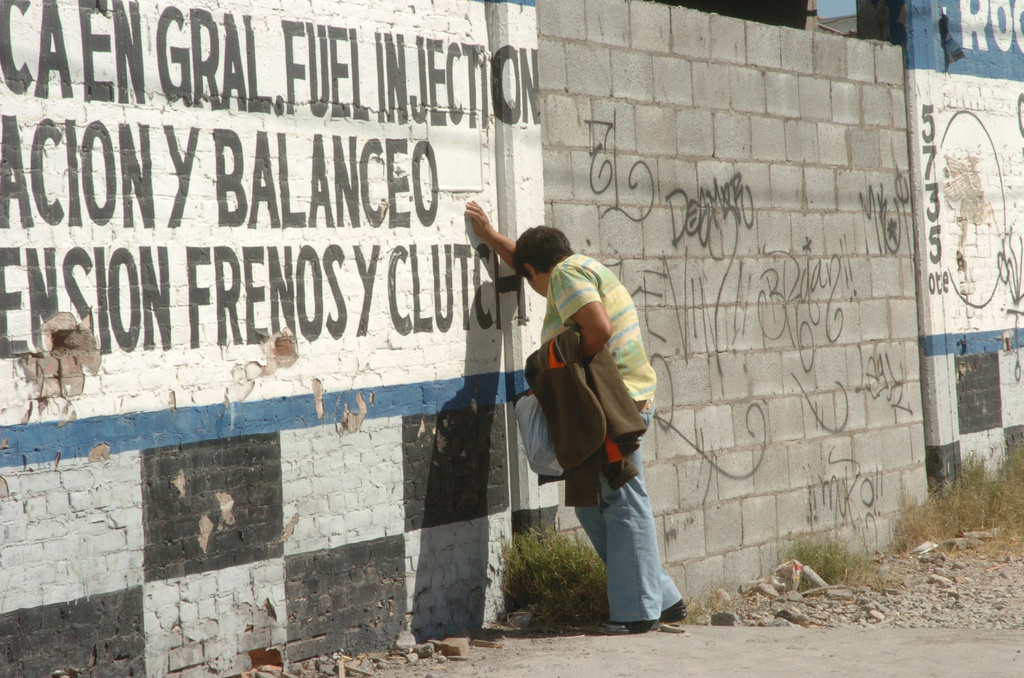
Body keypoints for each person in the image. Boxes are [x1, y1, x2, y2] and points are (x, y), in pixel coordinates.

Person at [465, 201, 686, 634]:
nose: (534, 290)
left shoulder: (564, 277)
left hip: (611, 404)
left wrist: (559, 373)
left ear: (535, 268)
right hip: (622, 399)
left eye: (529, 279)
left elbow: (598, 330)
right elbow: (529, 262)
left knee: (621, 499)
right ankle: (663, 597)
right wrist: (492, 237)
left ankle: (638, 613)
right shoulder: (577, 266)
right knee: (593, 502)